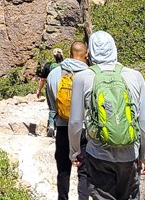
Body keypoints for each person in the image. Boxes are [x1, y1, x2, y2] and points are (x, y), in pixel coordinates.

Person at [67, 31, 145, 200]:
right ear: (114, 49)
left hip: (98, 155)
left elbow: (76, 122)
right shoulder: (135, 76)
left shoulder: (82, 78)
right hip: (129, 155)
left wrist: (74, 151)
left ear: (90, 52)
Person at [46, 41, 90, 200]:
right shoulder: (91, 75)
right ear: (86, 55)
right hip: (85, 130)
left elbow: (52, 105)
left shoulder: (54, 74)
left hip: (63, 128)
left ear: (70, 54)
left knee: (63, 171)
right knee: (84, 173)